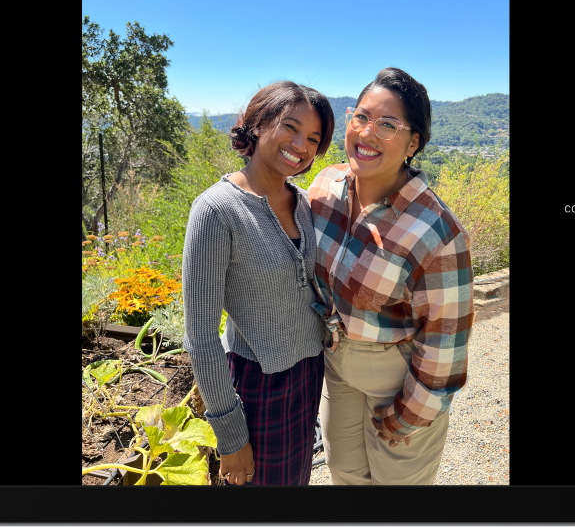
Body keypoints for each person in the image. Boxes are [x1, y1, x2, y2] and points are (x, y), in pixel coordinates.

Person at [308, 67, 474, 485]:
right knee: (344, 471)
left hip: (396, 374)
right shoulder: (326, 188)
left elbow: (444, 342)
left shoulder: (435, 230)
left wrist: (407, 416)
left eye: (388, 125)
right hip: (336, 364)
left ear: (412, 142)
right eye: (361, 117)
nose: (367, 133)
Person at [183, 81, 335, 486]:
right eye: (290, 127)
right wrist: (230, 436)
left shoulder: (302, 202)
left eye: (313, 139)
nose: (301, 145)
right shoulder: (216, 210)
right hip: (257, 386)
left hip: (308, 376)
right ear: (257, 123)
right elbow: (199, 336)